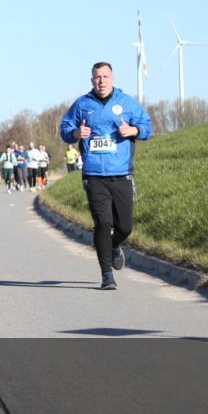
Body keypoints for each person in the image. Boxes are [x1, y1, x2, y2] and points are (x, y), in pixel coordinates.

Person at [60, 61, 152, 290]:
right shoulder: (82, 104)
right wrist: (75, 132)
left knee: (125, 226)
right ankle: (107, 275)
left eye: (105, 76)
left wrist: (134, 130)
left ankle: (113, 246)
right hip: (93, 174)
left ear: (113, 79)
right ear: (92, 81)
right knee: (102, 222)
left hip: (121, 173)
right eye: (97, 77)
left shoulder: (127, 103)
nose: (101, 81)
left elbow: (147, 126)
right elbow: (65, 128)